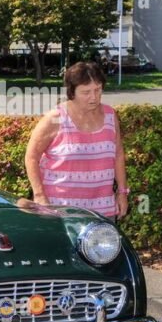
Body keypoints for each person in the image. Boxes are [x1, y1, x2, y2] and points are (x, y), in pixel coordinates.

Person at [25, 61, 128, 219]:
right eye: (86, 92)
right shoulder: (55, 118)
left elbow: (118, 154)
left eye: (98, 89)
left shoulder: (110, 115)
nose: (94, 97)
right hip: (59, 211)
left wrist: (122, 193)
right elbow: (32, 157)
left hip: (102, 210)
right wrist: (39, 196)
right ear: (72, 92)